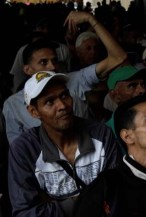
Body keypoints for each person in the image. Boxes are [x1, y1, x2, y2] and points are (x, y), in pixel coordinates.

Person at [8, 71, 118, 217]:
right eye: (49, 101)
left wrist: (54, 203)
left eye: (64, 96)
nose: (62, 106)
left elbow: (117, 202)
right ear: (33, 112)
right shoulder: (24, 150)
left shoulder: (100, 135)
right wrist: (89, 198)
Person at [2, 10, 128, 143]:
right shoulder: (13, 105)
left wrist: (91, 19)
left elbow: (119, 57)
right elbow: (19, 151)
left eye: (54, 61)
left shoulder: (75, 80)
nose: (52, 67)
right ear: (27, 69)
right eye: (43, 62)